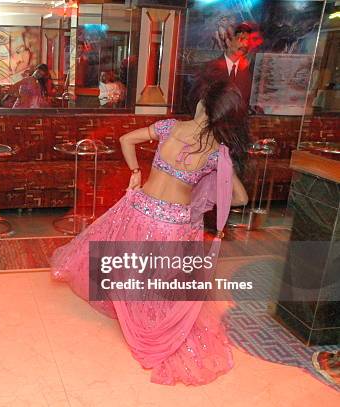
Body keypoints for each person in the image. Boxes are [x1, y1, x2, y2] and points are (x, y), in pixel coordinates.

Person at [51, 80, 250, 385]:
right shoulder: (216, 154)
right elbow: (240, 199)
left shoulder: (170, 128)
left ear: (200, 104)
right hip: (175, 224)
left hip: (141, 209)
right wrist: (206, 189)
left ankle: (135, 310)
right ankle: (152, 321)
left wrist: (135, 172)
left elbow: (125, 139)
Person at [193, 22, 261, 111]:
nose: (245, 45)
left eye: (247, 41)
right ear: (228, 42)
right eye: (241, 39)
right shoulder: (208, 69)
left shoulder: (250, 73)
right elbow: (196, 100)